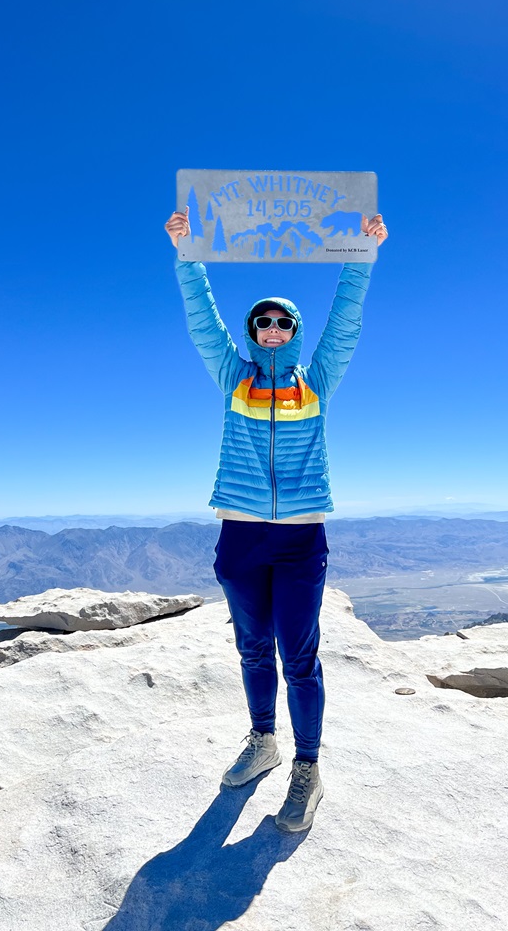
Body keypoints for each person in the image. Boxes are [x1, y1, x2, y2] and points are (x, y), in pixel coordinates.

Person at [165, 205, 388, 832]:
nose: (269, 326)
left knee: (299, 656)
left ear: (293, 329)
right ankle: (262, 739)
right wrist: (187, 253)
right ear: (252, 330)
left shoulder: (316, 382)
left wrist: (363, 256)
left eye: (281, 320)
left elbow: (346, 323)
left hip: (299, 540)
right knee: (253, 648)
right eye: (260, 320)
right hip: (238, 537)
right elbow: (201, 323)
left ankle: (307, 768)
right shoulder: (232, 377)